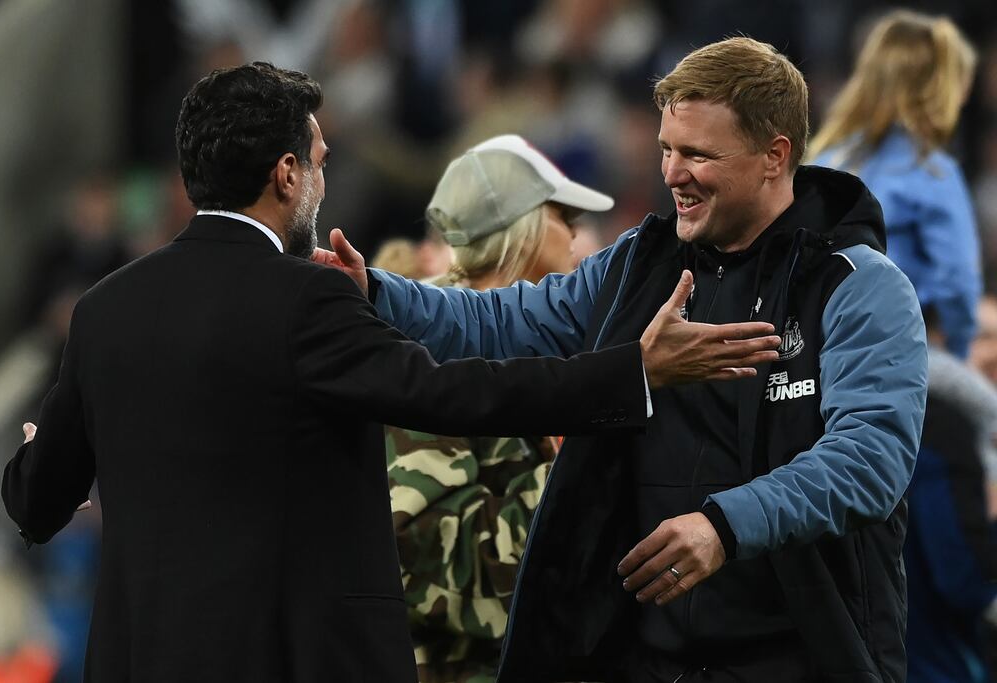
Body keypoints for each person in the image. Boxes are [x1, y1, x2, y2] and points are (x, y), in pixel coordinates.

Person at [1, 62, 781, 683]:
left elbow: (35, 502)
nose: (322, 178)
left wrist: (40, 445)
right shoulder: (304, 299)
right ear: (285, 176)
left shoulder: (106, 310)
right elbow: (455, 392)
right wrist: (631, 374)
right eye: (319, 161)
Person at [315, 37, 928, 682]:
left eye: (697, 154)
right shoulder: (640, 265)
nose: (672, 173)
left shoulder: (855, 284)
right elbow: (499, 323)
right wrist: (376, 292)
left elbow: (871, 457)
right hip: (648, 662)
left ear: (774, 156)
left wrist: (725, 526)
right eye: (666, 149)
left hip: (804, 660)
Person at [387, 133, 613, 683]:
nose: (580, 233)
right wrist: (601, 450)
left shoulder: (542, 350)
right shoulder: (425, 360)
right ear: (527, 228)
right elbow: (442, 571)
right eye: (564, 215)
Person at [808, 9, 980, 359]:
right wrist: (959, 353)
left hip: (818, 350)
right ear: (940, 87)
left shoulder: (823, 161)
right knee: (988, 412)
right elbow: (957, 283)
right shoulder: (932, 172)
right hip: (898, 350)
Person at [904, 308, 997, 683]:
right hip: (935, 660)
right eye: (982, 337)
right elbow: (963, 578)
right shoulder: (943, 426)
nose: (994, 352)